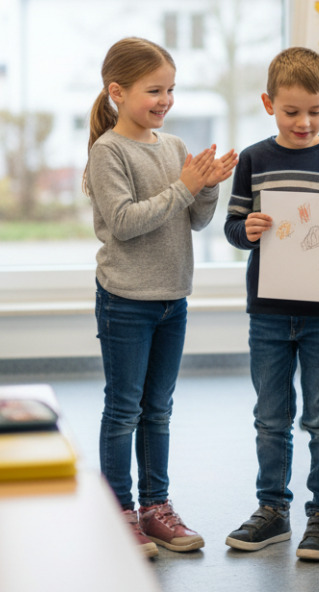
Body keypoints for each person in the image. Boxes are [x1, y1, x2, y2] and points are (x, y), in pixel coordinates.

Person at [83, 36, 238, 558]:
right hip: (126, 299)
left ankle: (155, 508)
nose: (165, 100)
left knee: (159, 410)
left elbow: (194, 219)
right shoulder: (108, 152)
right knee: (123, 408)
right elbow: (125, 224)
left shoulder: (171, 147)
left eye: (170, 89)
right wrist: (184, 187)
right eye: (154, 90)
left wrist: (208, 185)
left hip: (173, 297)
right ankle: (118, 511)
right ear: (117, 92)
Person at [223, 47, 319, 562]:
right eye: (291, 111)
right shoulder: (255, 160)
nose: (304, 122)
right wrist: (249, 229)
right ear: (269, 104)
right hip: (266, 311)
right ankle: (272, 511)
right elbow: (233, 229)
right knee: (270, 415)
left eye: (315, 110)